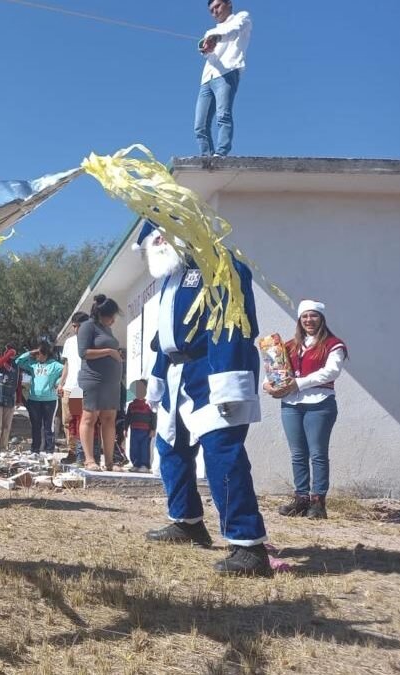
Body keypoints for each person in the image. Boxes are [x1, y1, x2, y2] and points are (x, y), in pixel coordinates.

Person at [138, 221, 271, 576]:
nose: (157, 246)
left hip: (211, 370)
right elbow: (164, 337)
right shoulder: (171, 277)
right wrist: (157, 373)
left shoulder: (219, 266)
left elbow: (231, 324)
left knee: (222, 455)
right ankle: (187, 521)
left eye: (160, 238)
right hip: (177, 373)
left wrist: (228, 379)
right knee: (171, 448)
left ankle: (248, 546)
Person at [265, 300, 347, 520]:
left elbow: (331, 372)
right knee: (298, 454)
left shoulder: (333, 344)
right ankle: (301, 499)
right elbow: (276, 370)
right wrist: (268, 384)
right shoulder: (289, 345)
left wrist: (298, 384)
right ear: (299, 321)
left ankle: (318, 502)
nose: (309, 320)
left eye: (314, 316)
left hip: (320, 403)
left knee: (318, 454)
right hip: (291, 404)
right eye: (305, 317)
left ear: (321, 319)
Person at [195, 1, 252, 157]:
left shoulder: (242, 17)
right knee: (200, 125)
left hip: (227, 73)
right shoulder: (210, 31)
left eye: (218, 6)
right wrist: (205, 46)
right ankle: (207, 158)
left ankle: (221, 154)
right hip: (207, 79)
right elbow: (205, 52)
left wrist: (216, 38)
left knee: (223, 115)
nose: (215, 12)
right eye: (211, 10)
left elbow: (234, 31)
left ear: (229, 4)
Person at [78, 295, 123, 471]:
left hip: (111, 382)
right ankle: (89, 459)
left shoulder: (107, 329)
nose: (113, 320)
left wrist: (115, 354)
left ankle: (110, 462)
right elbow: (83, 352)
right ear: (101, 314)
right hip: (93, 379)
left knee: (109, 418)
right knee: (90, 417)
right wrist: (109, 352)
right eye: (111, 316)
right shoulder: (87, 326)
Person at [15, 341, 65, 455]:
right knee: (35, 426)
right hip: (34, 400)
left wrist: (58, 382)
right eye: (36, 354)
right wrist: (30, 352)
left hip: (50, 400)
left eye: (39, 353)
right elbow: (18, 361)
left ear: (45, 354)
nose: (37, 356)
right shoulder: (33, 364)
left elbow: (66, 370)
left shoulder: (54, 365)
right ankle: (35, 450)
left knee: (48, 426)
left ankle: (49, 450)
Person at [59, 313, 90, 465]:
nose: (74, 328)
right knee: (67, 421)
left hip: (80, 388)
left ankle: (81, 452)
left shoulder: (91, 341)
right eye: (73, 325)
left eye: (77, 325)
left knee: (78, 421)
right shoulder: (69, 342)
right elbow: (67, 364)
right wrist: (61, 383)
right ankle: (71, 451)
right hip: (68, 387)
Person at [0, 347, 19, 453]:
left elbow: (18, 383)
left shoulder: (15, 366)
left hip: (10, 399)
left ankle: (3, 447)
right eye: (9, 353)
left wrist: (19, 398)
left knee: (6, 426)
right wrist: (7, 355)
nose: (11, 356)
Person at [126, 379, 156, 472]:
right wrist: (125, 428)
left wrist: (153, 429)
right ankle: (136, 464)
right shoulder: (131, 404)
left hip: (146, 431)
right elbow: (128, 417)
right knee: (134, 448)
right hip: (134, 430)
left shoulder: (149, 404)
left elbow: (154, 417)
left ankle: (144, 465)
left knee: (144, 448)